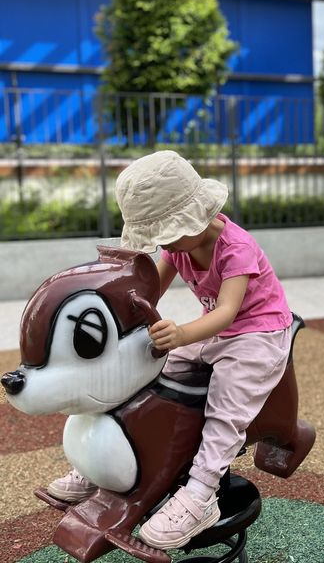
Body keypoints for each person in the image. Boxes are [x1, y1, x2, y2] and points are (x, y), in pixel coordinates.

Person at [47, 150, 293, 550]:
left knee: (226, 407)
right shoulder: (181, 244)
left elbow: (229, 313)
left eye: (169, 232)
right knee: (149, 365)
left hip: (257, 334)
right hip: (217, 332)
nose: (166, 244)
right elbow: (152, 290)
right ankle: (104, 464)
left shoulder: (236, 248)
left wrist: (181, 334)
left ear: (195, 217)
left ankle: (201, 492)